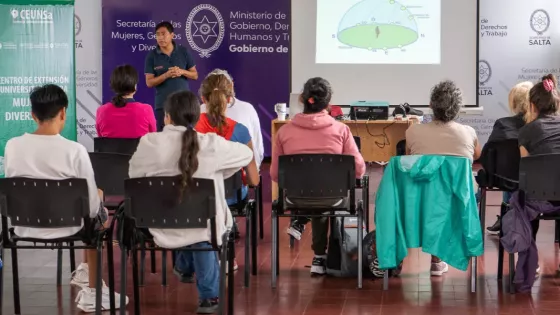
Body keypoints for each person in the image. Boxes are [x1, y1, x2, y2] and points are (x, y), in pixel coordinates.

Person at [4, 84, 127, 312]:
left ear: (32, 115)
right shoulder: (75, 150)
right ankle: (93, 290)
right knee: (97, 210)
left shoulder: (12, 147)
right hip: (71, 227)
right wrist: (99, 198)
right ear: (63, 112)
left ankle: (83, 270)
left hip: (23, 226)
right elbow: (90, 206)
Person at [128, 90, 253, 313]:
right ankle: (209, 297)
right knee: (201, 231)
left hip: (159, 225)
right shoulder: (211, 143)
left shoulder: (148, 143)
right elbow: (246, 154)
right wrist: (221, 172)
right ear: (197, 118)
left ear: (166, 117)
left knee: (188, 221)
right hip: (204, 227)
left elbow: (134, 176)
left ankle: (185, 266)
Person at [270, 77, 366, 275]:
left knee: (315, 192)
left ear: (302, 99)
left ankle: (318, 255)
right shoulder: (341, 130)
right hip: (334, 197)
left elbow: (274, 174)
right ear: (329, 104)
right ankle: (321, 257)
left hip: (295, 198)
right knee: (324, 194)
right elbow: (359, 170)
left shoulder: (284, 132)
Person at [405, 79, 481, 276]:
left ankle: (434, 257)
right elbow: (476, 156)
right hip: (458, 200)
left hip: (421, 200)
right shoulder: (468, 133)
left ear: (431, 106)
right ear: (458, 108)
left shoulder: (413, 131)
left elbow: (408, 157)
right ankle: (438, 258)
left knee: (433, 196)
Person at [196, 72, 260, 263]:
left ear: (202, 98)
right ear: (230, 99)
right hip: (230, 197)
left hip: (195, 195)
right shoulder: (240, 130)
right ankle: (226, 256)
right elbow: (254, 180)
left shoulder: (190, 127)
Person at [480, 81, 533, 235]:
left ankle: (507, 214)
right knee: (518, 171)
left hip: (505, 179)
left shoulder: (502, 124)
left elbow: (487, 155)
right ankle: (509, 215)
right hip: (535, 181)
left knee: (510, 172)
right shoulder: (539, 127)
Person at [517, 74, 560, 243]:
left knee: (528, 194)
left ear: (532, 106)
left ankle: (530, 257)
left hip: (538, 198)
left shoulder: (526, 131)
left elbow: (525, 168)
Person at [200, 69, 264, 168]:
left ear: (203, 98)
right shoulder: (246, 113)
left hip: (203, 179)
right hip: (241, 177)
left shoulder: (197, 114)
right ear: (231, 90)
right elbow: (258, 150)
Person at [144, 21, 198, 131]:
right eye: (157, 34)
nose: (160, 37)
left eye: (163, 34)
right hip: (163, 105)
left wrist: (182, 72)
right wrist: (166, 75)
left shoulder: (183, 51)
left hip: (184, 105)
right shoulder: (152, 55)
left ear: (172, 35)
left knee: (186, 137)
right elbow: (149, 82)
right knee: (163, 139)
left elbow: (195, 75)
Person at [96, 65, 156, 138]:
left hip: (110, 150)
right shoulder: (146, 109)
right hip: (140, 149)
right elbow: (153, 138)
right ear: (135, 86)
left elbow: (101, 139)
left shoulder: (102, 111)